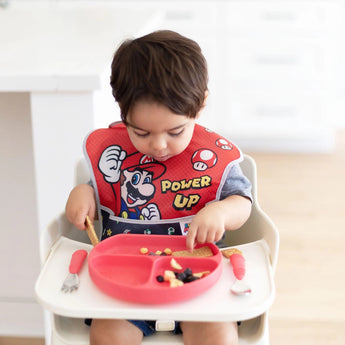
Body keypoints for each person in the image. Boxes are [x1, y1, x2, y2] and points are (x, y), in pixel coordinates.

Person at [66, 30, 252, 345]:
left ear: (201, 104)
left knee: (219, 336)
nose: (159, 145)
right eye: (141, 132)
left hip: (197, 279)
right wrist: (83, 195)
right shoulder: (116, 155)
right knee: (106, 336)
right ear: (122, 111)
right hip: (124, 283)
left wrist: (221, 211)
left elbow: (242, 201)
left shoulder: (210, 157)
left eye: (175, 131)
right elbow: (101, 187)